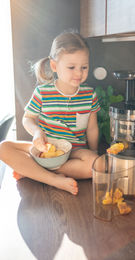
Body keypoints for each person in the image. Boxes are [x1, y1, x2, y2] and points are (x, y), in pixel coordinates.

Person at [0, 31, 100, 195]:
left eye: (84, 67)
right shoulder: (42, 92)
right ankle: (54, 179)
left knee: (96, 164)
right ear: (54, 66)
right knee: (3, 147)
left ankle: (33, 172)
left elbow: (92, 128)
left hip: (75, 153)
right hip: (44, 150)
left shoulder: (89, 95)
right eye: (71, 67)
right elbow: (28, 119)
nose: (78, 73)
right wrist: (37, 132)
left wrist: (94, 152)